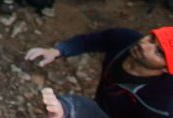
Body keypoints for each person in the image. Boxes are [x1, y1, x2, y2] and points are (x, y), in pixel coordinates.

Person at [27, 27, 173, 117]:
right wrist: (58, 51)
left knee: (77, 107)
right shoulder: (125, 40)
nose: (144, 45)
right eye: (152, 37)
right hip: (101, 106)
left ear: (167, 68)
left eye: (158, 52)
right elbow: (94, 40)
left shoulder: (162, 103)